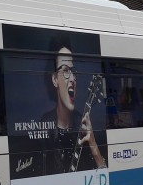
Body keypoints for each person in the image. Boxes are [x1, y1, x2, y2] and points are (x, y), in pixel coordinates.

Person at [42, 40, 106, 174]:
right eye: (65, 70)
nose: (72, 78)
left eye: (73, 71)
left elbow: (103, 176)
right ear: (54, 80)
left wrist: (93, 145)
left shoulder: (84, 125)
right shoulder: (45, 123)